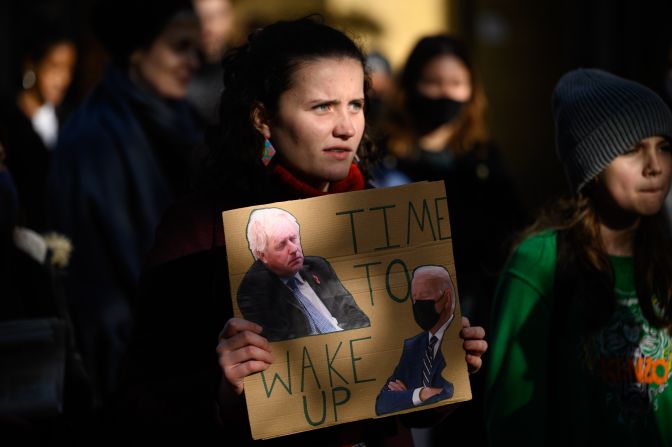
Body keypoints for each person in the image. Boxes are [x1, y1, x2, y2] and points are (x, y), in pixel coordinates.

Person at [119, 17, 487, 445]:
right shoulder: (202, 230)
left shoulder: (384, 221)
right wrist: (224, 392)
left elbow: (398, 399)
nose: (346, 127)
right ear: (262, 117)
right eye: (322, 107)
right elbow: (140, 399)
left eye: (356, 104)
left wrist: (446, 361)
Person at [485, 69, 672, 446]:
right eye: (632, 148)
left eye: (664, 146)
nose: (654, 165)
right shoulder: (539, 261)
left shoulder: (666, 257)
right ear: (592, 165)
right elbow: (511, 412)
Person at [47, 0, 202, 406]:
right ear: (138, 48)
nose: (194, 60)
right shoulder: (93, 140)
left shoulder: (191, 126)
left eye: (197, 47)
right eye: (180, 46)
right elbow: (97, 293)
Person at [237, 207, 370, 341]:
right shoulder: (254, 292)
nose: (294, 249)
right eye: (281, 244)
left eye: (293, 239)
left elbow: (354, 314)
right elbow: (284, 348)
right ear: (262, 255)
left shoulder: (317, 266)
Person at [1, 26, 77, 231]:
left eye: (69, 69)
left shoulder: (71, 120)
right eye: (54, 67)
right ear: (32, 65)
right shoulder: (8, 121)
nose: (63, 79)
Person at [375, 265, 457, 416]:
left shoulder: (459, 337)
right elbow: (382, 403)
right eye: (414, 299)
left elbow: (453, 391)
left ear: (447, 298)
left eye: (424, 297)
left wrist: (406, 397)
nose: (418, 304)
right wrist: (420, 394)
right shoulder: (413, 347)